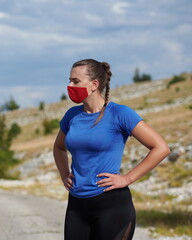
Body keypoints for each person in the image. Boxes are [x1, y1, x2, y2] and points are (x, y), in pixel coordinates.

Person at [53, 59, 170, 240]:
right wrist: (64, 174)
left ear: (94, 85)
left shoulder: (120, 113)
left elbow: (161, 148)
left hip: (111, 205)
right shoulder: (72, 115)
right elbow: (59, 147)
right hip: (77, 206)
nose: (70, 85)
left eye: (75, 81)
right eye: (69, 80)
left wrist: (127, 178)